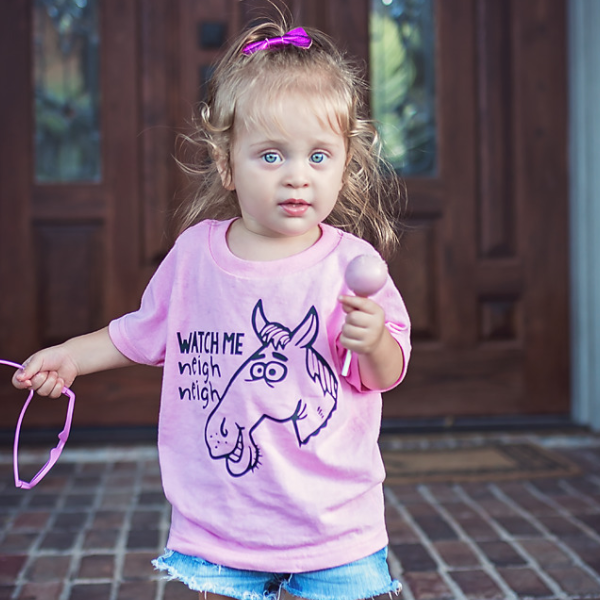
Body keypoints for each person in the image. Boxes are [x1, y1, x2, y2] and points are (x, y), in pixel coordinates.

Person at [13, 20, 411, 600]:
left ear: (345, 163)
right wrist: (71, 357)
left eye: (319, 156)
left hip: (335, 531)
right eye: (271, 155)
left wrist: (373, 342)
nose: (297, 176)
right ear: (226, 164)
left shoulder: (350, 264)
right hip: (219, 532)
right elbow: (139, 332)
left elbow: (383, 374)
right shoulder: (194, 256)